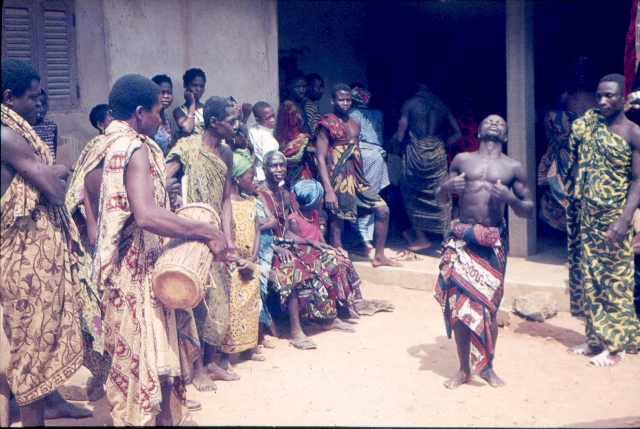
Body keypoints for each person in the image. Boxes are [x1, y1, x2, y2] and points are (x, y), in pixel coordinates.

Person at [84, 74, 227, 426]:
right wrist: (205, 229)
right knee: (153, 364)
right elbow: (146, 215)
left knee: (131, 368)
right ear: (139, 112)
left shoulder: (97, 147)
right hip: (137, 274)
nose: (162, 120)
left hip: (110, 272)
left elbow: (88, 209)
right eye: (158, 111)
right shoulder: (134, 149)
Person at [1, 58, 85, 426]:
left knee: (37, 344)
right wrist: (60, 172)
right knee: (30, 351)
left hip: (36, 260)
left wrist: (53, 173)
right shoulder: (6, 136)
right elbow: (53, 189)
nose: (39, 103)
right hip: (22, 262)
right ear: (9, 98)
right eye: (32, 97)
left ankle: (51, 405)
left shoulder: (21, 134)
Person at [434, 114, 534, 389]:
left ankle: (487, 367)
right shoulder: (462, 160)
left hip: (492, 244)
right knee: (459, 310)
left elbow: (528, 210)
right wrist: (447, 187)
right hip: (462, 241)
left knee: (488, 309)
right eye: (488, 121)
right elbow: (439, 198)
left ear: (506, 135)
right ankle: (464, 369)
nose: (494, 123)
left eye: (500, 122)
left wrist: (511, 199)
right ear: (478, 131)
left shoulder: (513, 167)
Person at [165, 95, 241, 390]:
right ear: (214, 122)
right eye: (232, 120)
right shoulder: (187, 147)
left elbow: (225, 200)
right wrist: (173, 199)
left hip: (217, 236)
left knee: (219, 299)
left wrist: (228, 239)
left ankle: (211, 362)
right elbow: (162, 175)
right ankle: (195, 369)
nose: (236, 125)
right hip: (192, 232)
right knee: (193, 300)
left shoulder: (226, 153)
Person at [566, 74, 640, 366]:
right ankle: (596, 338)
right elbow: (575, 129)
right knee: (589, 278)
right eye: (599, 96)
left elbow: (638, 180)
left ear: (624, 98)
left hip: (614, 218)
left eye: (609, 96)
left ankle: (616, 345)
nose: (602, 101)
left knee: (616, 280)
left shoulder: (632, 132)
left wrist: (624, 219)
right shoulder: (591, 125)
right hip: (586, 216)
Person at [257, 151, 356, 350]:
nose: (278, 170)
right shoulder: (258, 194)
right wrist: (276, 248)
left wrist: (311, 243)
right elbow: (254, 231)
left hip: (286, 243)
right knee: (292, 269)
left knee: (330, 258)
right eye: (273, 166)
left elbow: (287, 230)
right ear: (264, 169)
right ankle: (296, 331)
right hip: (265, 247)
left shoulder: (286, 195)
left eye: (281, 166)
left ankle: (328, 317)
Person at [315, 83, 400, 268]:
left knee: (383, 210)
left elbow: (357, 152)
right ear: (332, 101)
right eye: (341, 99)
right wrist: (328, 189)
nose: (345, 103)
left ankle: (379, 256)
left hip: (357, 177)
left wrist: (361, 177)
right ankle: (338, 259)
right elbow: (320, 158)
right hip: (336, 176)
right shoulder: (326, 123)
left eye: (348, 100)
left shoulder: (356, 123)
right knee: (338, 219)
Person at [392, 83, 462, 251]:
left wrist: (393, 146)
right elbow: (457, 133)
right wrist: (442, 145)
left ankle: (422, 239)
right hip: (437, 155)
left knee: (412, 196)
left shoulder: (409, 104)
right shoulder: (441, 105)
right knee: (441, 195)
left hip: (415, 155)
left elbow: (401, 133)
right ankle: (447, 238)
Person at [289, 179, 363, 319]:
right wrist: (332, 256)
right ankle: (333, 312)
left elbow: (321, 240)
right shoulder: (294, 220)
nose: (323, 200)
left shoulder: (315, 215)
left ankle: (344, 305)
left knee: (344, 260)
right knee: (337, 265)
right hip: (307, 256)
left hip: (318, 252)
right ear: (313, 201)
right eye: (320, 198)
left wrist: (334, 251)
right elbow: (300, 248)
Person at [219, 151, 263, 369]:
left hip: (250, 262)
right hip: (233, 265)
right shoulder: (226, 205)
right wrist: (238, 261)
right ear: (237, 179)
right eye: (250, 176)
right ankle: (226, 354)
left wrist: (253, 257)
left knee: (250, 307)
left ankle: (248, 348)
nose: (254, 181)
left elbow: (257, 231)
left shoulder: (252, 202)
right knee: (232, 309)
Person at [348, 84, 390, 254]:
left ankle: (364, 240)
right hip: (379, 156)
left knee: (360, 197)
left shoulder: (352, 114)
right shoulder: (377, 114)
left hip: (362, 154)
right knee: (374, 196)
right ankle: (368, 239)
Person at [276, 71, 315, 185]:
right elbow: (290, 139)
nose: (302, 90)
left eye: (304, 86)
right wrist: (313, 150)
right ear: (289, 86)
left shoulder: (301, 104)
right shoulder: (288, 106)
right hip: (296, 160)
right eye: (298, 87)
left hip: (304, 158)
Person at [248, 101, 279, 183]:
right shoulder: (267, 140)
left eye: (273, 116)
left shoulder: (252, 127)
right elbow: (271, 163)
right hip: (265, 177)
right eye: (268, 118)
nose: (272, 120)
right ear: (258, 120)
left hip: (257, 174)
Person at [173, 68, 206, 139]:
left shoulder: (207, 109)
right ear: (185, 86)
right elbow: (187, 128)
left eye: (202, 86)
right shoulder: (179, 111)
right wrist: (192, 103)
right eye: (195, 85)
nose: (199, 89)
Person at [32, 89, 58, 163]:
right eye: (38, 106)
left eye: (45, 105)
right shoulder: (25, 127)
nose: (42, 109)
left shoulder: (52, 126)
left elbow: (53, 153)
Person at [151, 74, 174, 156]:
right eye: (162, 92)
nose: (166, 96)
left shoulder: (167, 119)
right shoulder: (148, 118)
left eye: (169, 92)